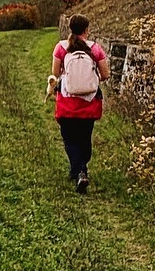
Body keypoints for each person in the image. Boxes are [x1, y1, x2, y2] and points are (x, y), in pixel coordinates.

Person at [47, 14, 109, 193]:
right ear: (86, 30)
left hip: (67, 102)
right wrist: (91, 79)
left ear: (70, 29)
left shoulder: (61, 47)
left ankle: (79, 171)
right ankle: (81, 168)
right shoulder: (95, 49)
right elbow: (105, 75)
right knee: (84, 139)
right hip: (89, 103)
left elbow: (55, 72)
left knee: (69, 139)